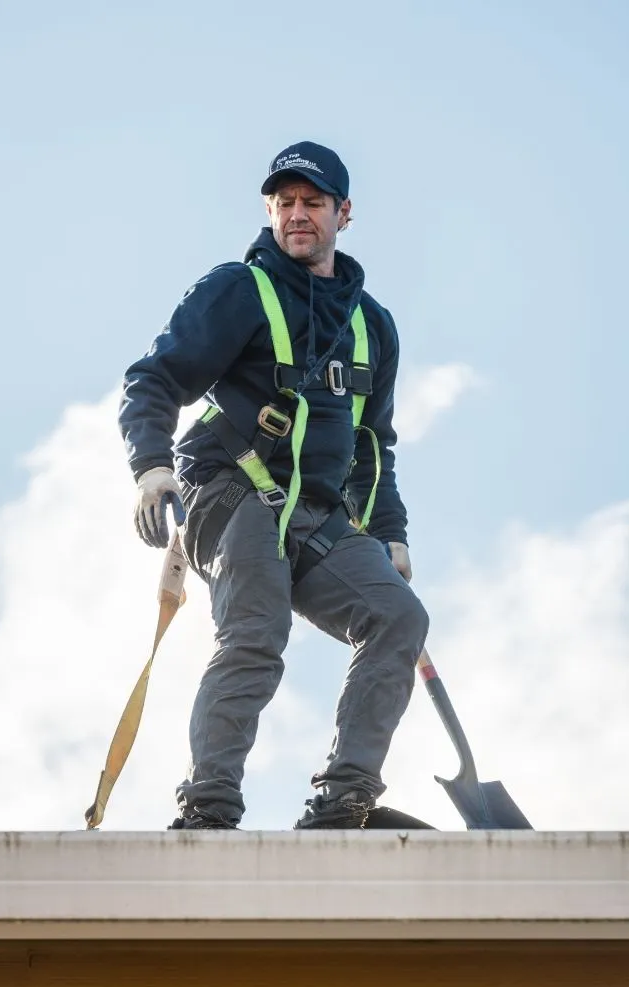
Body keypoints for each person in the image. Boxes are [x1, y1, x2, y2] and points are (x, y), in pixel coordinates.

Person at [119, 141, 429, 830]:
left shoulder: (370, 325)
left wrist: (389, 535)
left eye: (311, 203)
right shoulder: (238, 289)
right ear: (269, 210)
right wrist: (151, 466)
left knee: (397, 616)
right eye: (283, 203)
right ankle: (208, 805)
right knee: (256, 628)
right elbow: (154, 379)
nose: (296, 215)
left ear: (342, 213)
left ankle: (343, 801)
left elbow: (371, 443)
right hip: (230, 490)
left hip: (314, 514)